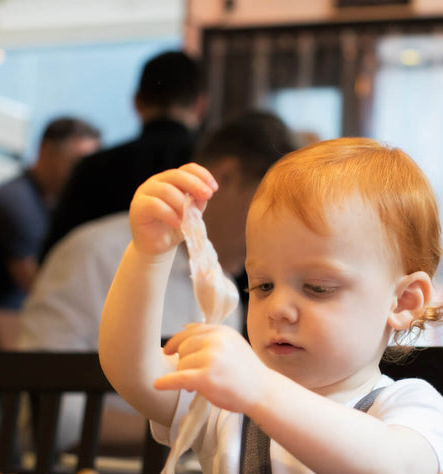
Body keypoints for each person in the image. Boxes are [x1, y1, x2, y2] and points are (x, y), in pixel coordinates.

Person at [98, 138, 443, 474]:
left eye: (318, 288)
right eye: (263, 286)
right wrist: (148, 254)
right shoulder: (228, 403)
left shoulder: (411, 408)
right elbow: (134, 372)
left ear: (402, 302)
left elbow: (392, 471)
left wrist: (259, 389)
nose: (279, 309)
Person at [20, 111, 297, 451]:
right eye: (264, 208)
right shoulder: (97, 254)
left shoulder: (225, 288)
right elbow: (51, 414)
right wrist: (199, 434)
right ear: (225, 176)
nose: (268, 233)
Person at [40, 50, 206, 260]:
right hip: (197, 291)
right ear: (201, 105)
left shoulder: (93, 168)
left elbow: (55, 254)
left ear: (136, 102)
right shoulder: (213, 171)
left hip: (102, 290)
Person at [0, 116, 101, 310]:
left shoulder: (45, 203)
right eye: (77, 162)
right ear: (46, 151)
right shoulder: (16, 202)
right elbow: (40, 289)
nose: (83, 174)